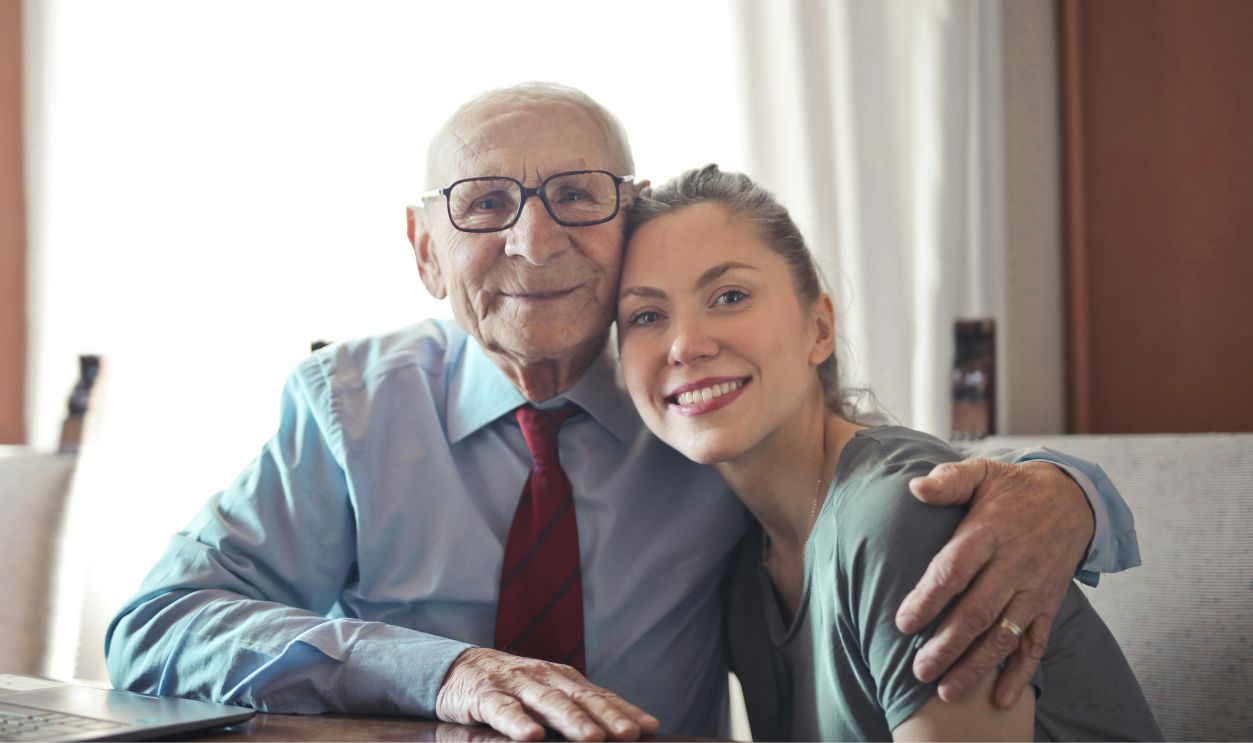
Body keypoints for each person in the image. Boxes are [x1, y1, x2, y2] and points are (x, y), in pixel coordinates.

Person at [106, 83, 1141, 742]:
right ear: (425, 251)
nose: (533, 238)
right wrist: (445, 672)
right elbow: (153, 625)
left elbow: (880, 484)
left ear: (621, 226)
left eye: (576, 195)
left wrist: (1068, 493)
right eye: (481, 204)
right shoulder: (347, 411)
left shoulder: (695, 408)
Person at [616, 164, 1162, 741]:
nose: (685, 345)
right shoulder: (745, 572)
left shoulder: (902, 515)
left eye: (730, 295)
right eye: (646, 316)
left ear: (819, 329)